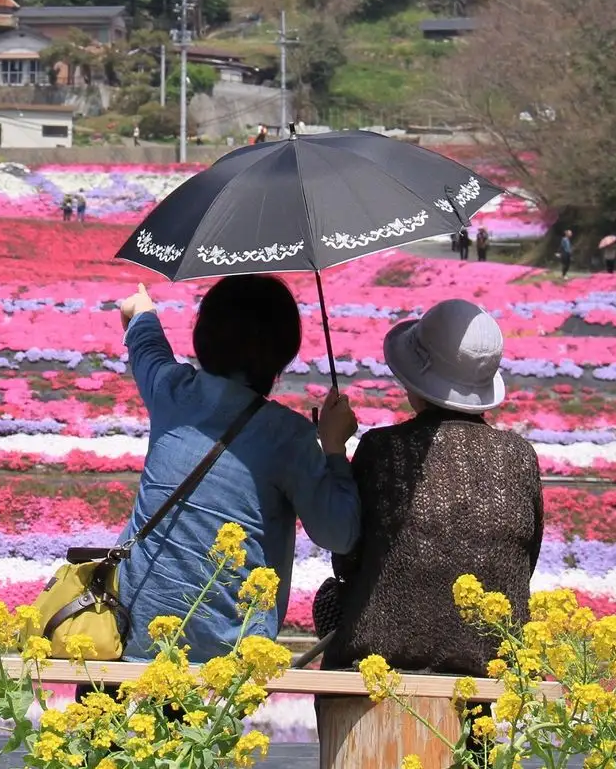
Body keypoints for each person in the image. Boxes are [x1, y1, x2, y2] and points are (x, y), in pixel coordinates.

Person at [112, 279, 359, 660]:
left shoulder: (171, 390)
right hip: (222, 662)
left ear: (203, 334)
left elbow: (145, 342)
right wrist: (334, 448)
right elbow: (338, 534)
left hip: (127, 639)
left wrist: (141, 311)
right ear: (283, 352)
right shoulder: (288, 438)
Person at [321, 299, 542, 676]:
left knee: (330, 600)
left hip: (380, 664)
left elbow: (345, 556)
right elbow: (527, 559)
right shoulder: (521, 456)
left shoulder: (382, 450)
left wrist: (334, 449)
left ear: (416, 383)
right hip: (492, 667)